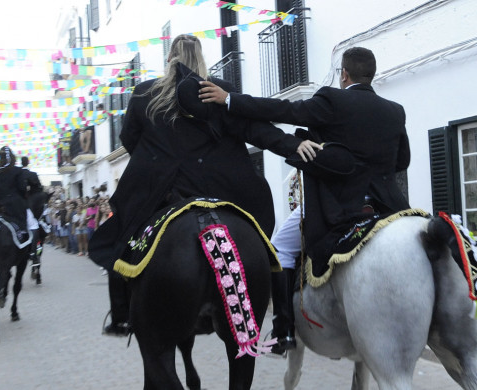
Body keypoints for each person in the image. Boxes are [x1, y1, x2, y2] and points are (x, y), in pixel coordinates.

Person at [88, 34, 308, 336]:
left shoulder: (144, 94)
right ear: (201, 58)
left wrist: (155, 154)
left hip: (166, 192)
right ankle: (281, 326)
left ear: (170, 59)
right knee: (264, 246)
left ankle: (122, 316)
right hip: (221, 189)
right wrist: (294, 146)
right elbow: (255, 131)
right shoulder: (219, 91)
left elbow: (129, 140)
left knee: (123, 240)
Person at [198, 46, 411, 354]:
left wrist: (229, 99)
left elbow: (283, 111)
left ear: (344, 75)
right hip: (389, 208)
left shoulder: (333, 100)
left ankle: (283, 331)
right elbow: (401, 160)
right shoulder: (395, 110)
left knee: (281, 248)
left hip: (341, 206)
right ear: (371, 74)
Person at [0, 146, 28, 233]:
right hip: (14, 206)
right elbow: (22, 189)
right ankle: (25, 234)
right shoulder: (18, 171)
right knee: (31, 223)